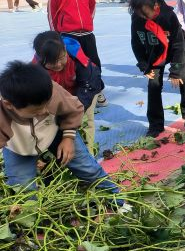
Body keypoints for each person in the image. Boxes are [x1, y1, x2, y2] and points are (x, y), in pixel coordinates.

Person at [0, 61, 126, 211]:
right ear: (9, 105)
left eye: (46, 105)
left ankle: (117, 201)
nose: (44, 111)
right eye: (36, 111)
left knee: (87, 168)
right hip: (18, 145)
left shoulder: (50, 91)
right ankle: (32, 217)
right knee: (22, 186)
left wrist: (68, 138)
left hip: (56, 131)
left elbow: (73, 110)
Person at [130, 0, 185, 135]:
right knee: (153, 85)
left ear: (155, 6)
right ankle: (155, 125)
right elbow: (136, 43)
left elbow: (178, 44)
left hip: (178, 50)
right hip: (156, 54)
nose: (144, 17)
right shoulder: (137, 19)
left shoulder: (167, 16)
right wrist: (144, 65)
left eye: (147, 13)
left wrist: (175, 70)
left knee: (184, 78)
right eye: (140, 14)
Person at [47, 0, 107, 108]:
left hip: (87, 35)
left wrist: (87, 23)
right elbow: (52, 14)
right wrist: (56, 35)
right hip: (68, 37)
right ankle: (77, 97)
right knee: (74, 67)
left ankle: (98, 91)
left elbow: (91, 7)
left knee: (94, 63)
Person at [32, 31, 104, 153]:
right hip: (56, 99)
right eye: (52, 62)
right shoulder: (35, 71)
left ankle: (88, 153)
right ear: (40, 58)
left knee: (84, 122)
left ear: (65, 49)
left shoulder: (80, 61)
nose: (58, 64)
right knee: (52, 126)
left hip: (83, 93)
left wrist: (74, 112)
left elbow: (88, 87)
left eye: (61, 58)